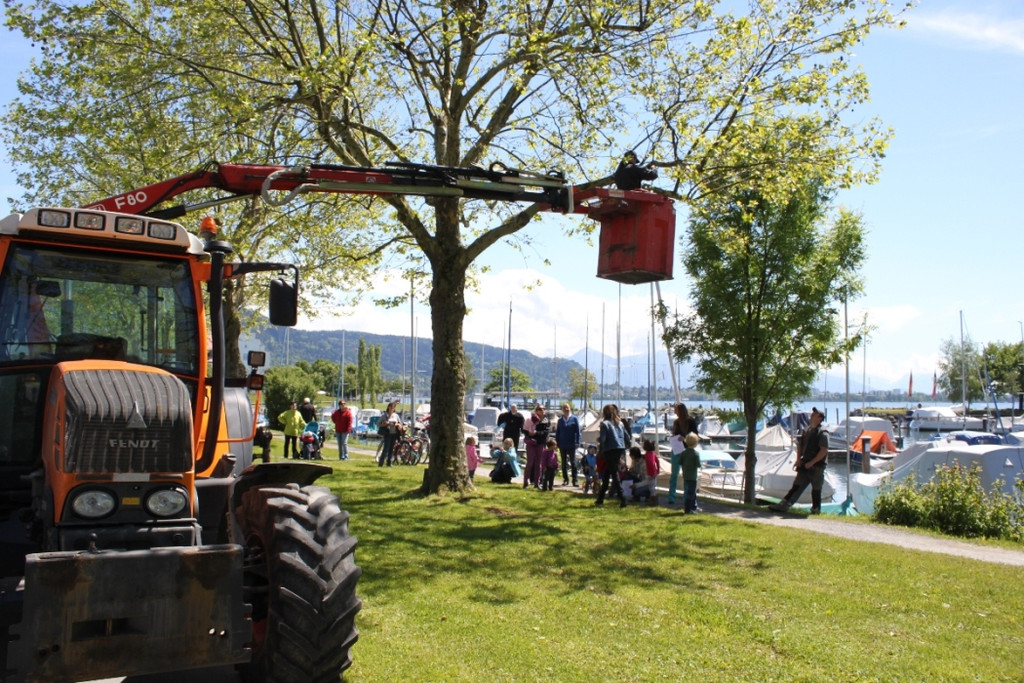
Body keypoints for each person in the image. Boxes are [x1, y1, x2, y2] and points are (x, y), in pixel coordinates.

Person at [770, 407, 829, 514]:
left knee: (816, 489)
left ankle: (816, 510)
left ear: (820, 418)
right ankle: (783, 505)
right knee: (796, 486)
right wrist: (798, 459)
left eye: (814, 414)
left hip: (817, 467)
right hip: (804, 464)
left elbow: (823, 450)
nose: (811, 415)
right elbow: (800, 446)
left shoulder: (823, 432)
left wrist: (812, 462)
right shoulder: (807, 430)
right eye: (812, 414)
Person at [595, 404, 628, 508]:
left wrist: (598, 439)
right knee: (607, 474)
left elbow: (603, 439)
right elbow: (627, 437)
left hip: (609, 450)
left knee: (614, 474)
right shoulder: (620, 423)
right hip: (620, 449)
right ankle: (600, 498)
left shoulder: (605, 424)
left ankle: (622, 498)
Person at [668, 403, 698, 503]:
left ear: (680, 410)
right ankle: (671, 497)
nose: (674, 411)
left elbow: (695, 437)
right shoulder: (676, 422)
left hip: (686, 450)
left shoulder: (691, 422)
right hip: (676, 449)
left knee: (686, 475)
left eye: (676, 409)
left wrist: (684, 439)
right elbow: (675, 434)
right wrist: (673, 438)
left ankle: (687, 497)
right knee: (674, 474)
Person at [523, 405, 550, 489]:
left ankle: (537, 482)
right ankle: (525, 482)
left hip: (540, 443)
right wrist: (529, 434)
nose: (542, 410)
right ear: (536, 411)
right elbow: (524, 430)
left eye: (543, 409)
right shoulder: (531, 419)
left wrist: (536, 433)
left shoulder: (546, 421)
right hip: (531, 443)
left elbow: (545, 433)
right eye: (540, 409)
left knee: (539, 464)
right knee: (530, 463)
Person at [555, 403, 581, 486]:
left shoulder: (574, 419)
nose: (566, 409)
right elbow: (558, 432)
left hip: (571, 444)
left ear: (570, 408)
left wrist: (577, 442)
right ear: (562, 410)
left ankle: (575, 480)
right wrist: (557, 442)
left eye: (568, 408)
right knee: (564, 463)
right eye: (565, 408)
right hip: (562, 444)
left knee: (573, 462)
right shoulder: (560, 420)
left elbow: (578, 432)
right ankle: (565, 479)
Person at [378, 401, 404, 467]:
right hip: (387, 433)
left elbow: (400, 424)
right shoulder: (384, 416)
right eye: (391, 407)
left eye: (393, 408)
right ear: (388, 407)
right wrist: (385, 424)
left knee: (391, 449)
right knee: (386, 449)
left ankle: (389, 462)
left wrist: (397, 424)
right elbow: (378, 424)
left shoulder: (396, 415)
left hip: (394, 433)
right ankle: (381, 463)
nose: (392, 409)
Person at [680, 432, 701, 513]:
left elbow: (680, 462)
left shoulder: (683, 452)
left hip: (685, 475)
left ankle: (693, 506)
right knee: (691, 493)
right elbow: (698, 465)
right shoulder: (696, 454)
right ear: (696, 443)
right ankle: (688, 509)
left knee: (689, 491)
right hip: (693, 476)